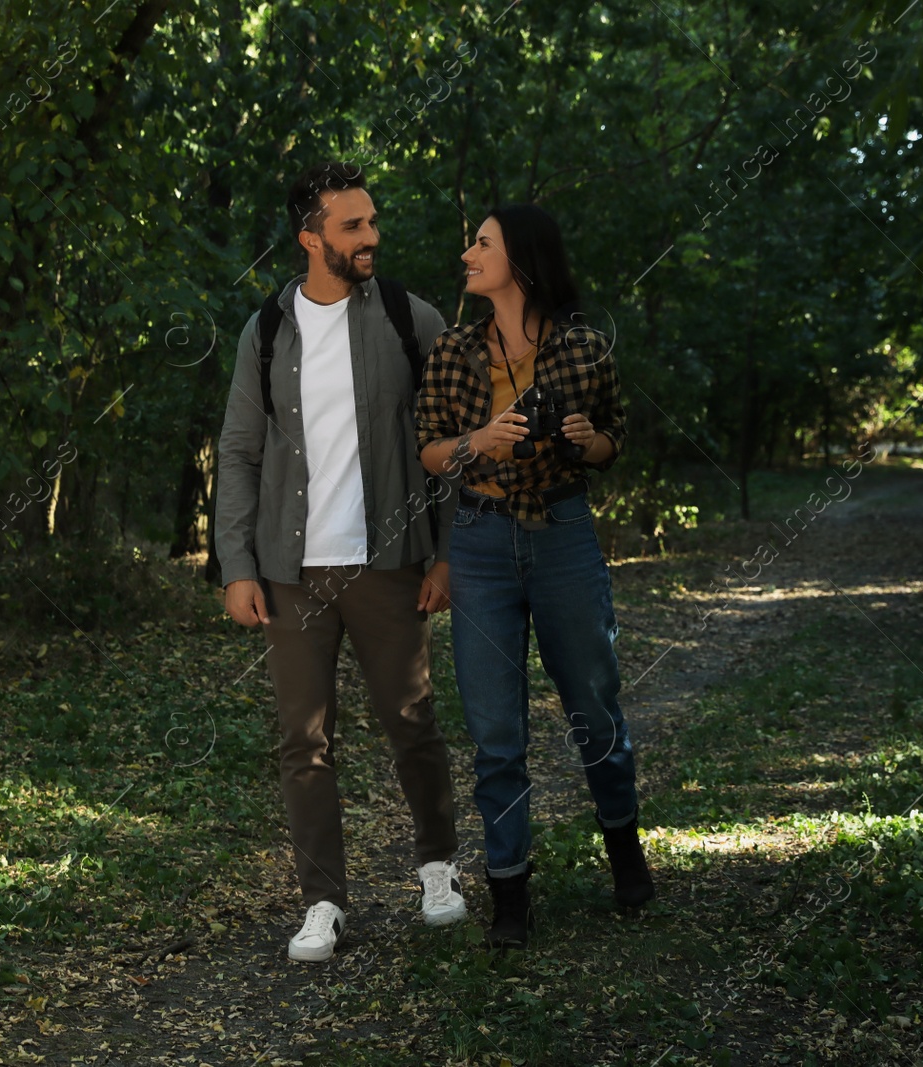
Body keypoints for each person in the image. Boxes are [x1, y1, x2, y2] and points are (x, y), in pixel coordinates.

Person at [215, 161, 467, 963]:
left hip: (390, 561)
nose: (371, 237)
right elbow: (242, 450)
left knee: (412, 722)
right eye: (353, 225)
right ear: (311, 236)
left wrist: (449, 551)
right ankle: (323, 900)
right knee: (304, 740)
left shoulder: (407, 316)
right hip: (292, 573)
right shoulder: (266, 331)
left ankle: (437, 867)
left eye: (372, 222)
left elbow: (453, 440)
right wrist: (237, 564)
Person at [416, 203, 654, 949]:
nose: (468, 253)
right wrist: (479, 440)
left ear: (520, 258)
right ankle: (510, 892)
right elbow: (429, 449)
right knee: (495, 729)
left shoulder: (584, 348)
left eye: (482, 243)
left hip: (563, 535)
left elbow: (616, 438)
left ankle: (624, 848)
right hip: (482, 541)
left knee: (594, 701)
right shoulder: (455, 352)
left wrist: (588, 442)